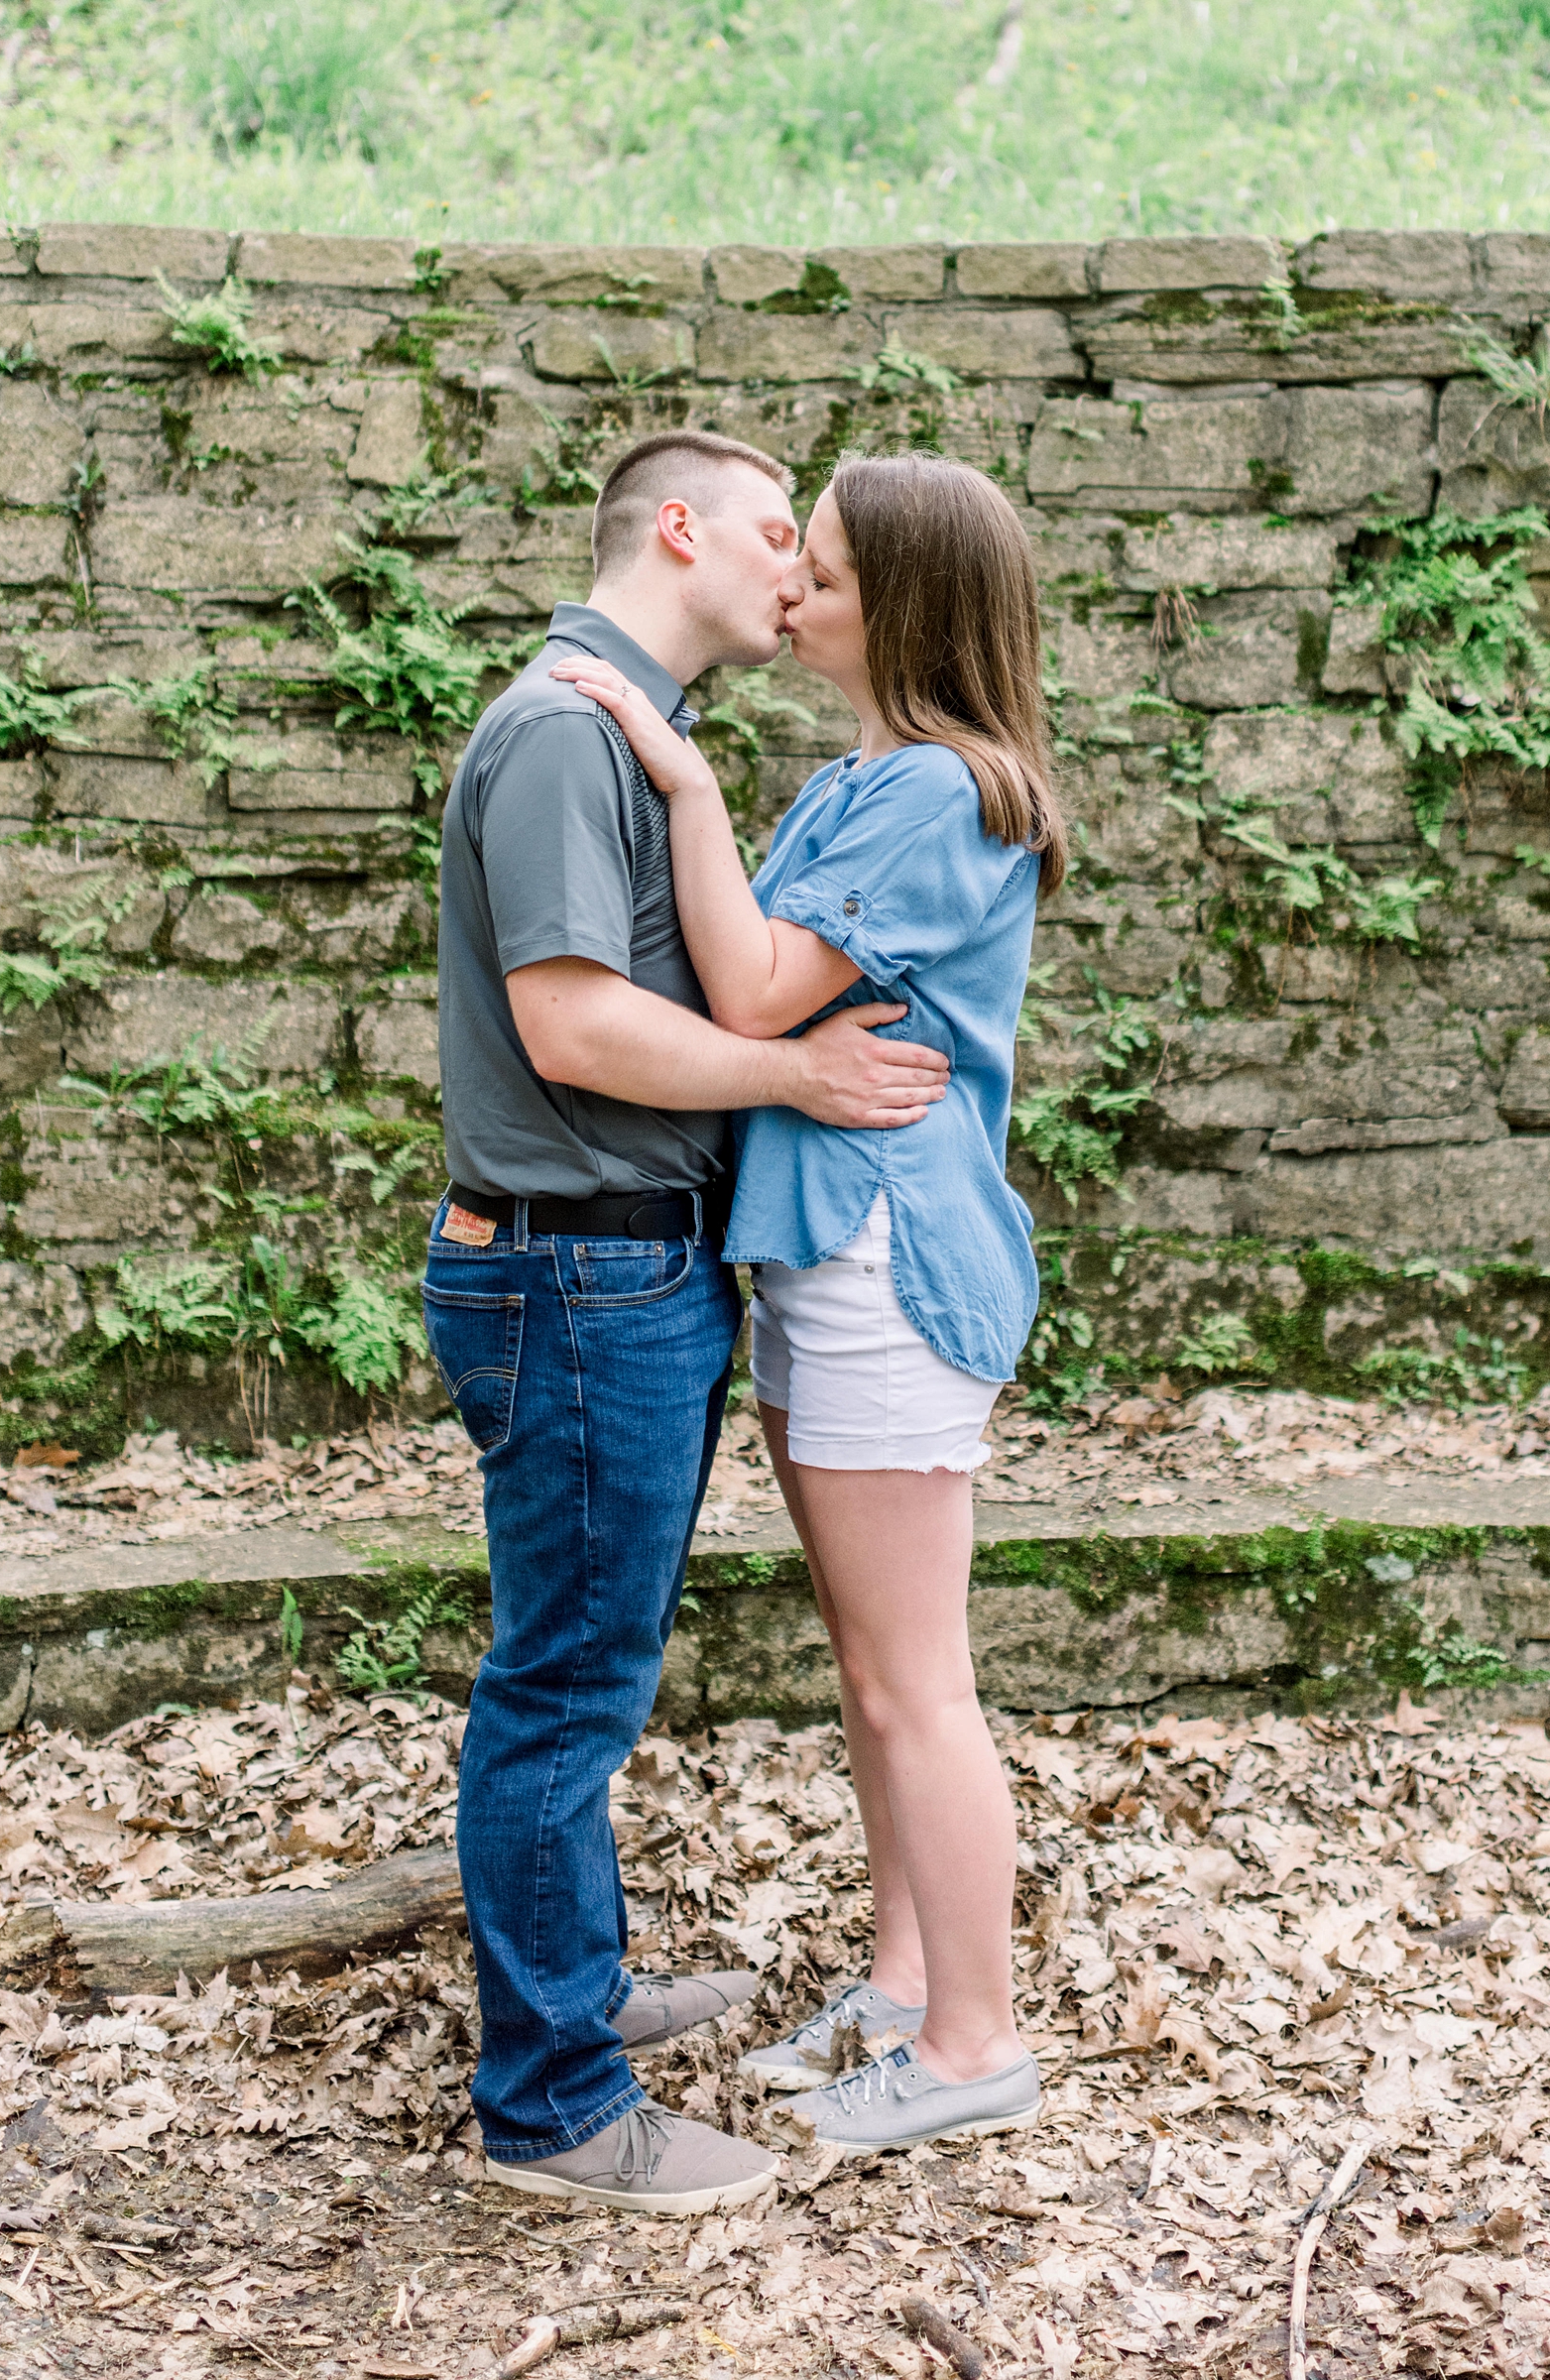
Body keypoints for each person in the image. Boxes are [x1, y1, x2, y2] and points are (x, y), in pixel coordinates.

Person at [428, 429, 954, 2215]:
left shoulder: (628, 735)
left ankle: (573, 1999)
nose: (792, 572)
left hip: (621, 1267)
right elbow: (574, 1028)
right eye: (766, 532)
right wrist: (794, 1076)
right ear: (677, 527)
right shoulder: (571, 730)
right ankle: (558, 2110)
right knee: (563, 1689)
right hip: (575, 1273)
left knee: (590, 1671)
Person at [547, 447, 1068, 2155]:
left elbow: (757, 980)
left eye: (824, 571)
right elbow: (759, 1005)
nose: (792, 589)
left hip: (884, 1258)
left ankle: (975, 2038)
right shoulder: (861, 781)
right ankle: (912, 1987)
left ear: (906, 603)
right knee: (870, 1667)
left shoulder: (936, 790)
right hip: (820, 1247)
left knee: (918, 1678)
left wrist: (682, 792)